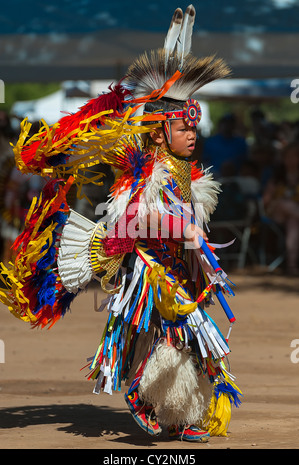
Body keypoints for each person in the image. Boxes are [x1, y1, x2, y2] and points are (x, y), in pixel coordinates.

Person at [0, 5, 241, 442]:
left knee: (195, 342)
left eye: (195, 124)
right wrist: (179, 230)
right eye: (183, 124)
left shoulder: (189, 173)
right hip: (147, 270)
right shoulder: (144, 171)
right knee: (170, 334)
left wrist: (196, 253)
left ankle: (181, 412)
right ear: (159, 130)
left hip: (179, 272)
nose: (193, 132)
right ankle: (145, 397)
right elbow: (130, 220)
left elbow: (184, 224)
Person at [263, 141, 299, 275]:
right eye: (287, 157)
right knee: (285, 204)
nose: (290, 160)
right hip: (276, 213)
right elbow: (265, 201)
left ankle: (292, 264)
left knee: (293, 224)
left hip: (293, 216)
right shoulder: (277, 178)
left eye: (294, 156)